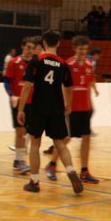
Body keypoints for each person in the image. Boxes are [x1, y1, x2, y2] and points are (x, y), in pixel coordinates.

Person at [17, 30, 83, 195]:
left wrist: (20, 109)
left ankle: (34, 182)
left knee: (35, 144)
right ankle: (71, 171)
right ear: (58, 43)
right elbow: (69, 87)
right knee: (60, 143)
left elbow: (27, 86)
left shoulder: (37, 61)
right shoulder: (63, 64)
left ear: (44, 43)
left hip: (38, 108)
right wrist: (68, 105)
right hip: (56, 108)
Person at [46, 36, 100, 184]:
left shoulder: (89, 64)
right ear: (74, 48)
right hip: (71, 108)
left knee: (86, 138)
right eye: (80, 49)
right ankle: (51, 165)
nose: (83, 51)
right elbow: (64, 86)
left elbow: (89, 82)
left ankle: (84, 171)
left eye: (85, 49)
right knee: (66, 138)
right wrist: (66, 104)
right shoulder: (67, 64)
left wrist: (92, 99)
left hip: (84, 107)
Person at [4, 37, 38, 174]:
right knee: (20, 131)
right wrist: (11, 95)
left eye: (32, 48)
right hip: (18, 102)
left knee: (29, 133)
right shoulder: (14, 62)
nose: (30, 50)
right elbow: (7, 81)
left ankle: (21, 160)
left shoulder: (36, 64)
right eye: (28, 47)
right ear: (22, 47)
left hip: (33, 102)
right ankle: (19, 161)